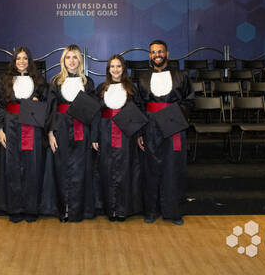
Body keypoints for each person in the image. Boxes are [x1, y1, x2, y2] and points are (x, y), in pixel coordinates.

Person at [137, 40, 195, 225]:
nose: (157, 55)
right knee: (151, 169)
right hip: (150, 127)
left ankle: (174, 211)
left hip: (173, 125)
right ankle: (151, 211)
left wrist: (173, 116)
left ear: (167, 54)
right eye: (153, 52)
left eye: (160, 51)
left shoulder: (181, 76)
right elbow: (139, 105)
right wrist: (140, 133)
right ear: (150, 55)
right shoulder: (142, 77)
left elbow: (190, 100)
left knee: (173, 168)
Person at [0, 47, 48, 223]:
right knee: (12, 167)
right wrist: (0, 130)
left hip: (32, 126)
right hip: (11, 126)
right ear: (14, 61)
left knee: (33, 166)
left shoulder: (39, 81)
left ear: (30, 61)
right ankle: (15, 208)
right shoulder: (4, 80)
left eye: (25, 58)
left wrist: (38, 102)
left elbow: (47, 104)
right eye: (18, 58)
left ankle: (31, 208)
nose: (22, 61)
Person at [41, 45, 96, 222]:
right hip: (61, 129)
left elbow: (94, 112)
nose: (71, 61)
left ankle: (78, 211)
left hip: (82, 129)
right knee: (62, 169)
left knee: (81, 170)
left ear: (80, 60)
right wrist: (50, 133)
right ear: (63, 61)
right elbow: (50, 110)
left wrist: (93, 136)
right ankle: (64, 210)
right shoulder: (55, 82)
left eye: (75, 57)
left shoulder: (88, 83)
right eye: (68, 57)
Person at [92, 55, 143, 221]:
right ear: (108, 70)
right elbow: (95, 114)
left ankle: (122, 209)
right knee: (106, 170)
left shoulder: (132, 89)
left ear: (123, 69)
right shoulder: (101, 89)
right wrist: (94, 136)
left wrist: (139, 134)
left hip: (126, 133)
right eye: (112, 66)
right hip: (105, 132)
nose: (115, 70)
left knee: (125, 170)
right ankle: (110, 209)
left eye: (118, 66)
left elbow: (139, 113)